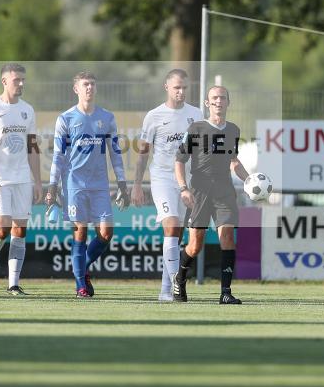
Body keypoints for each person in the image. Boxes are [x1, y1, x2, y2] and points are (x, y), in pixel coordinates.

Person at [45, 71, 128, 298]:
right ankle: (81, 284)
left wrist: (122, 182)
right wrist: (53, 186)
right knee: (80, 233)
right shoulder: (66, 119)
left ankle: (81, 268)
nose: (89, 88)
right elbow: (58, 156)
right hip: (74, 184)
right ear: (76, 89)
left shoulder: (107, 118)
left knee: (106, 233)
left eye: (92, 84)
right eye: (85, 84)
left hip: (100, 184)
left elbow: (115, 152)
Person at [172, 85, 249, 305]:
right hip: (200, 191)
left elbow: (234, 161)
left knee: (227, 237)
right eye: (214, 98)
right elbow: (179, 160)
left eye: (222, 98)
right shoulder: (196, 128)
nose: (218, 101)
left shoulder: (233, 130)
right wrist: (183, 188)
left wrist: (250, 180)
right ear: (207, 103)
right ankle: (180, 276)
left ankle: (226, 292)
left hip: (224, 191)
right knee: (195, 245)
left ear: (228, 102)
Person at [132, 68, 203, 301]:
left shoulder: (196, 114)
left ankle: (166, 288)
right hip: (162, 178)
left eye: (184, 88)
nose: (181, 92)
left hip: (188, 180)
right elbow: (143, 154)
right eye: (176, 88)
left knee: (178, 234)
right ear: (166, 87)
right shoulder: (154, 116)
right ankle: (173, 289)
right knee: (171, 226)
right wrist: (137, 184)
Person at [0, 63, 42, 296]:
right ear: (4, 81)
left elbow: (33, 147)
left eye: (23, 80)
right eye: (16, 80)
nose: (21, 84)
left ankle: (13, 283)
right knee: (2, 228)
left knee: (20, 230)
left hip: (22, 177)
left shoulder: (28, 110)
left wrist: (39, 181)